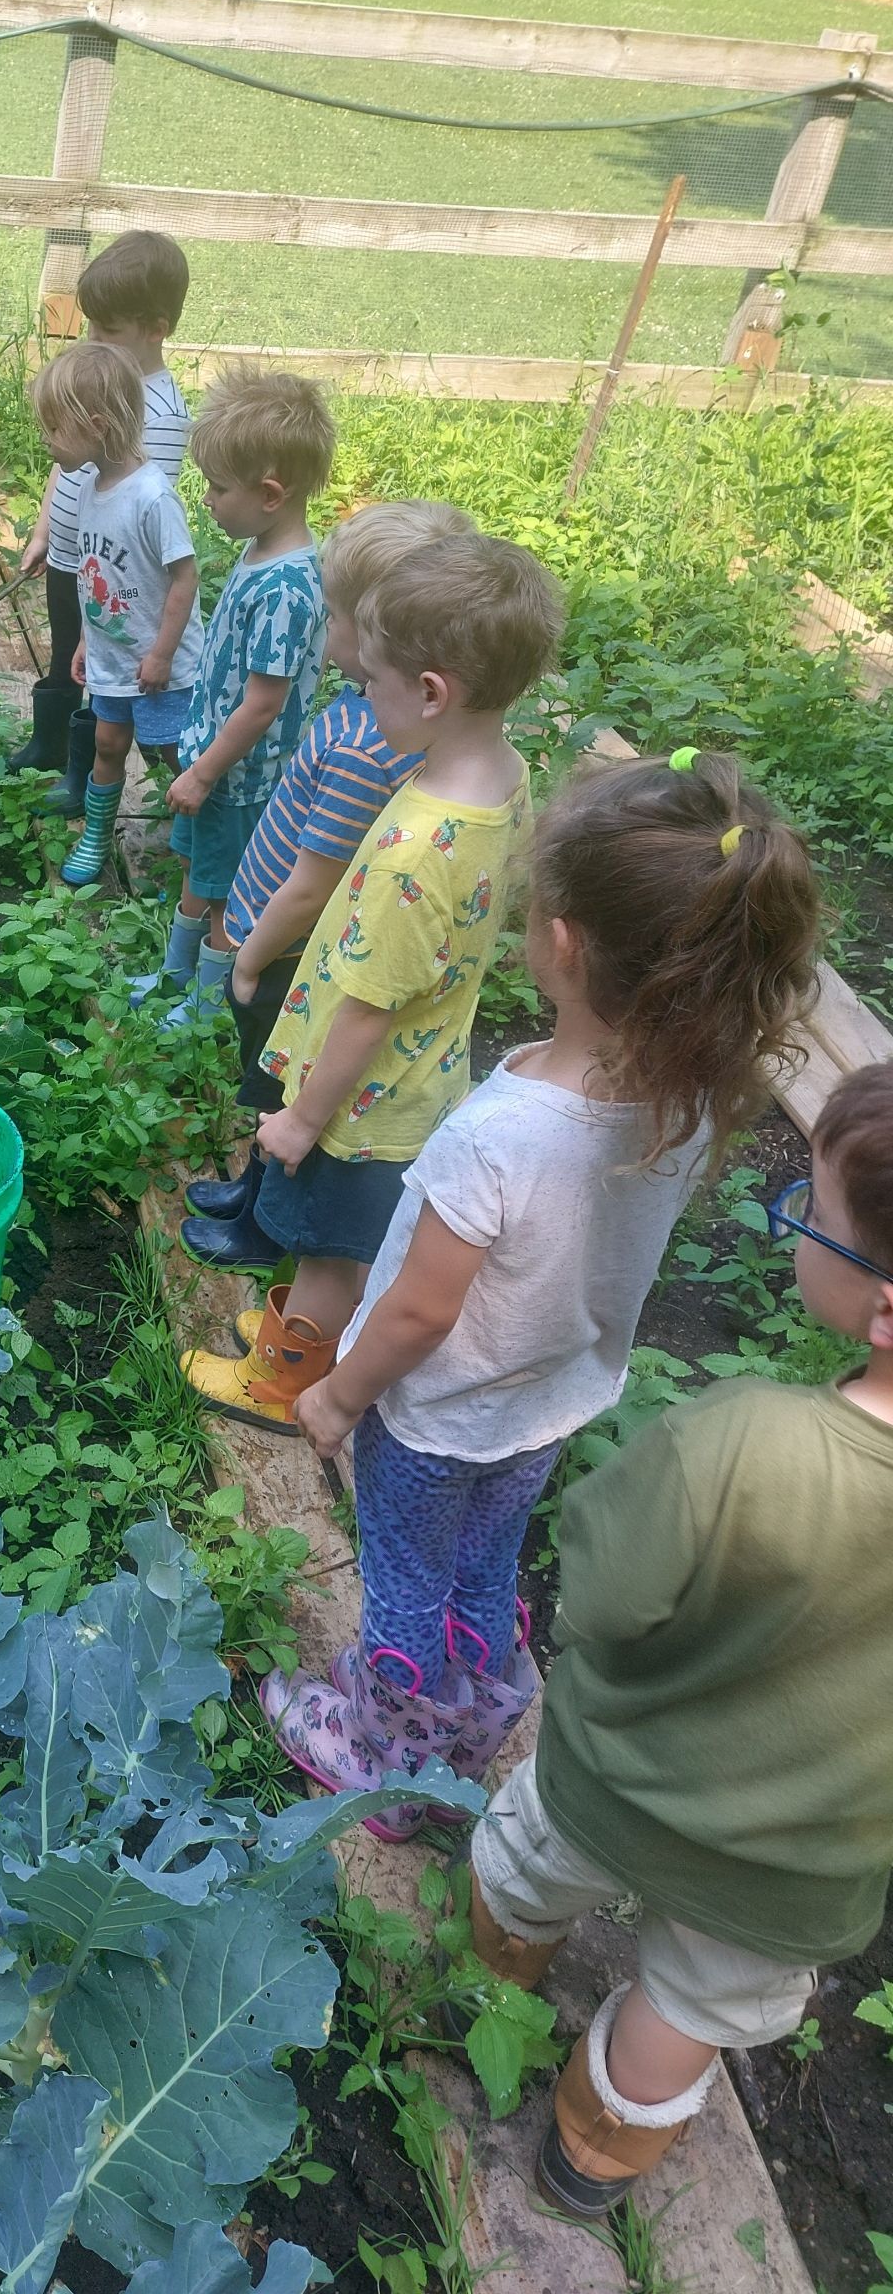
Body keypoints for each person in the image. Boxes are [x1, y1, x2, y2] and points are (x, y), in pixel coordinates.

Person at [259, 747, 823, 1850]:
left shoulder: (499, 1132)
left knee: (407, 1579)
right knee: (482, 1558)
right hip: (549, 1402)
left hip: (434, 1420)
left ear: (559, 942)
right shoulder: (691, 1098)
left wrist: (337, 1397)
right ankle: (472, 1725)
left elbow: (420, 1313)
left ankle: (396, 1768)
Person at [465, 1045, 884, 2227]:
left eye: (818, 1211)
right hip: (796, 1868)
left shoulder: (747, 1441)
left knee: (526, 1869)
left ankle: (496, 1977)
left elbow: (600, 1591)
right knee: (691, 2009)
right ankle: (592, 2155)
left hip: (621, 1780)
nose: (798, 1222)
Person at [181, 531, 564, 1428]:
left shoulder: (413, 856)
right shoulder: (501, 776)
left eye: (374, 682)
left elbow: (364, 1007)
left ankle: (284, 1380)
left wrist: (303, 1116)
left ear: (431, 695)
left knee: (323, 1251)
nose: (363, 694)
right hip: (423, 1071)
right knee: (349, 1242)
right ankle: (309, 1337)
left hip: (355, 1103)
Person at [180, 499, 474, 1264]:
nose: (324, 624)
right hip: (278, 938)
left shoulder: (364, 745)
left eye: (335, 613)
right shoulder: (368, 713)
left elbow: (313, 885)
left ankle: (259, 1229)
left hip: (283, 952)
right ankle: (250, 1189)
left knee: (280, 1091)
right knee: (267, 1087)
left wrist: (246, 957)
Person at [130, 370, 334, 1029]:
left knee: (228, 895)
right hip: (212, 764)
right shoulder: (258, 550)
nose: (208, 501)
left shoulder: (286, 589)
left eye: (219, 488)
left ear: (271, 494)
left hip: (239, 778)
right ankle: (175, 975)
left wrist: (203, 772)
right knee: (197, 866)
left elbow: (262, 705)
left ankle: (204, 1008)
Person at [13, 232, 191, 816]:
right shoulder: (97, 382)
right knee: (68, 649)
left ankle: (81, 768)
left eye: (107, 330)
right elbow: (70, 473)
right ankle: (51, 741)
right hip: (72, 551)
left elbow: (140, 506)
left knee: (101, 668)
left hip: (112, 571)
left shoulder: (156, 413)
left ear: (155, 327)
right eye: (91, 326)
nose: (94, 342)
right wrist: (44, 531)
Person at [30, 341, 200, 893]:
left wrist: (162, 654)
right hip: (111, 654)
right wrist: (84, 640)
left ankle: (205, 828)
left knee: (175, 754)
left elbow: (184, 578)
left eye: (54, 429)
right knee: (108, 745)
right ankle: (97, 835)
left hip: (157, 664)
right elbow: (93, 570)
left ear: (97, 425)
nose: (47, 442)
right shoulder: (89, 488)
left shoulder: (152, 497)